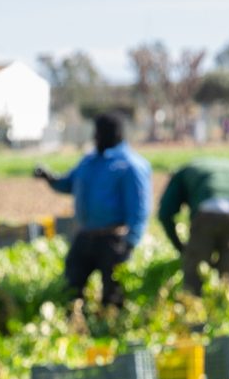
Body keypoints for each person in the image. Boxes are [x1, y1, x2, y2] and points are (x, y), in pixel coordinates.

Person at [36, 112, 151, 308]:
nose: (95, 137)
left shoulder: (129, 165)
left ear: (114, 135)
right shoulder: (89, 162)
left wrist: (130, 243)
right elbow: (68, 184)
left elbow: (139, 209)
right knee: (71, 285)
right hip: (86, 235)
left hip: (113, 239)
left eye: (99, 133)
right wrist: (50, 179)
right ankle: (76, 326)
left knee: (113, 294)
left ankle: (110, 330)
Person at [154, 155, 229, 293]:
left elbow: (165, 213)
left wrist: (182, 248)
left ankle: (193, 305)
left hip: (206, 214)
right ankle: (227, 307)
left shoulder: (183, 172)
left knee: (194, 274)